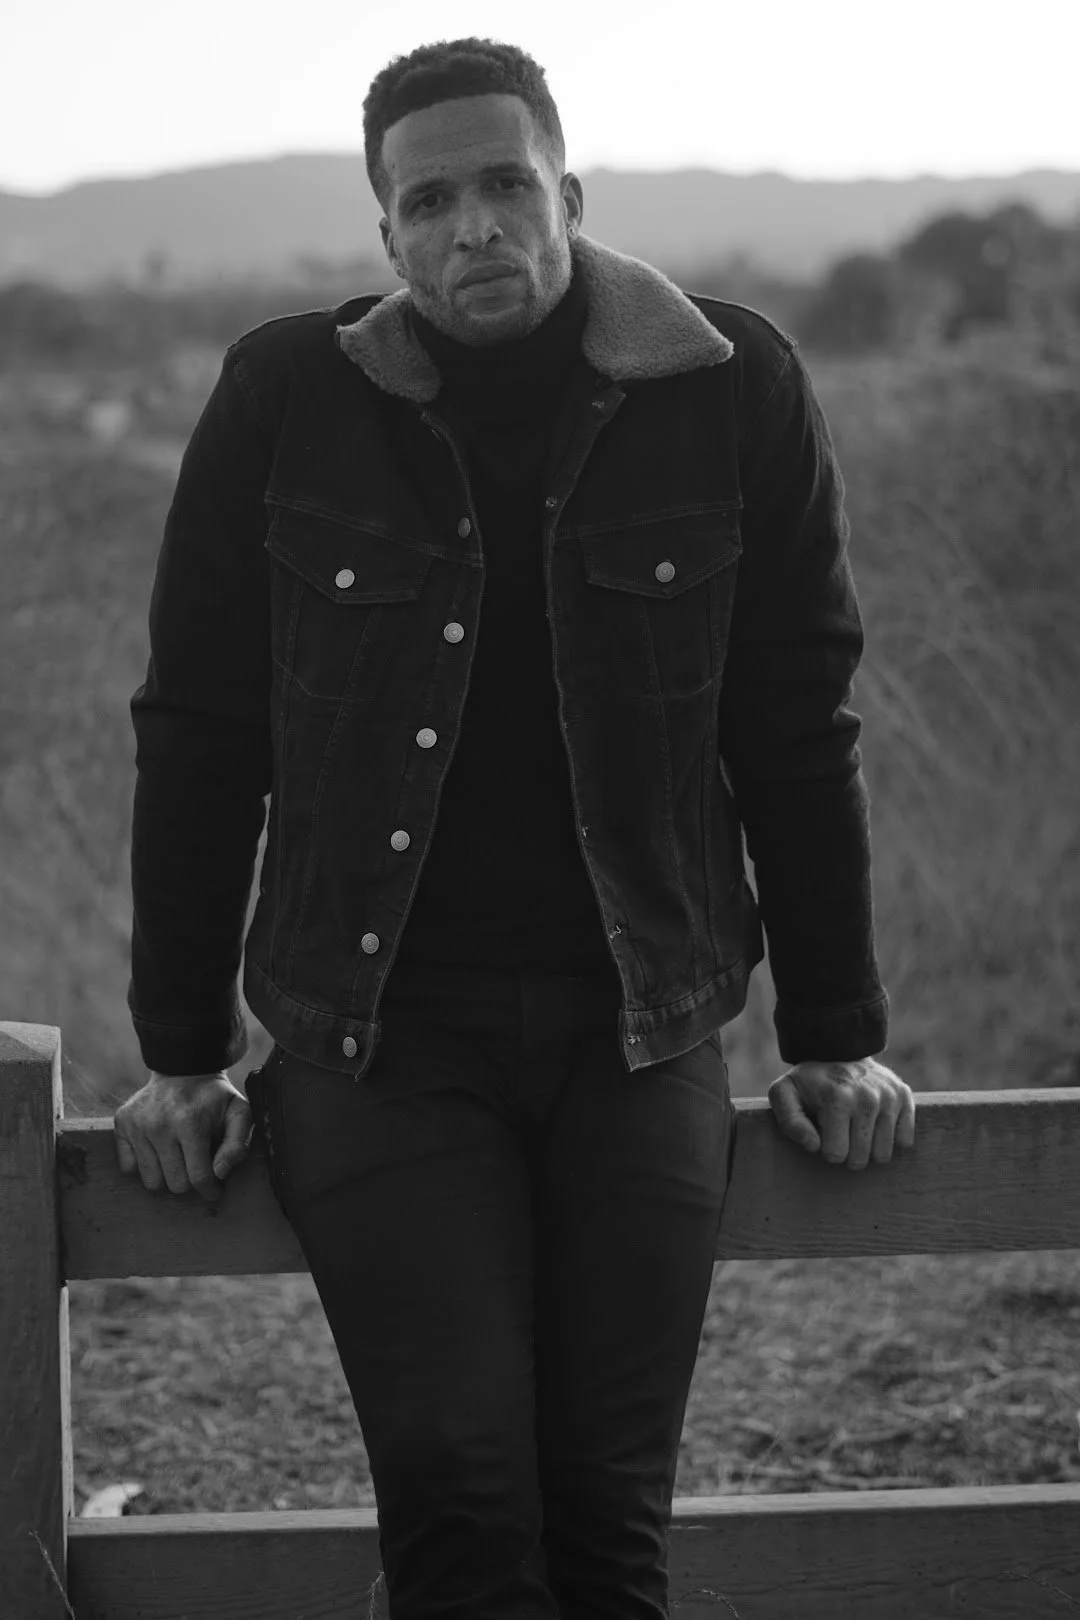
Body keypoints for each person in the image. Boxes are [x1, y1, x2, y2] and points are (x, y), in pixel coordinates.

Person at [114, 35, 916, 1619]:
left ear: (568, 192)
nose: (474, 225)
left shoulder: (731, 385)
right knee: (466, 1501)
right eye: (432, 201)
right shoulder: (286, 398)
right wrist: (181, 1046)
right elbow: (200, 736)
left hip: (643, 1030)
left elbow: (795, 724)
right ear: (388, 234)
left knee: (609, 1523)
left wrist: (835, 1026)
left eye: (504, 185)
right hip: (380, 1040)